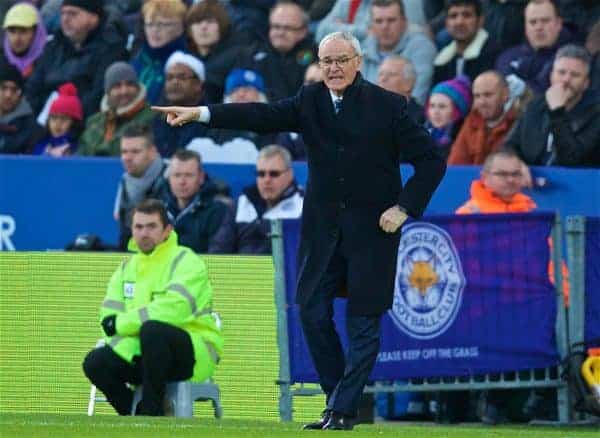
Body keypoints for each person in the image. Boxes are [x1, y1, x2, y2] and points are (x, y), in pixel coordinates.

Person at [152, 30, 446, 430]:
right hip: (322, 232)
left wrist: (404, 208)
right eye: (326, 61)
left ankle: (341, 410)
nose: (334, 68)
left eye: (341, 60)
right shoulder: (310, 99)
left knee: (363, 323)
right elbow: (261, 115)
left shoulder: (388, 106)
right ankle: (339, 399)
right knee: (310, 312)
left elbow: (431, 162)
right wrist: (203, 113)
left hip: (371, 233)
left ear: (358, 62)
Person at [82, 198, 223, 416]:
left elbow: (172, 312)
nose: (144, 233)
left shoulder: (186, 261)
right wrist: (120, 330)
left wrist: (122, 323)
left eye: (151, 226)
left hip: (191, 354)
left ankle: (151, 410)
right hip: (143, 351)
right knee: (95, 362)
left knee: (154, 330)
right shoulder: (126, 268)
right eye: (138, 227)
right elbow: (107, 317)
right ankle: (135, 414)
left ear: (167, 231)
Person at [25, 0, 128, 118]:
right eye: (63, 13)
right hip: (45, 121)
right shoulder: (53, 46)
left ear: (93, 18)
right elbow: (33, 89)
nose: (65, 19)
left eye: (73, 14)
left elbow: (98, 95)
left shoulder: (111, 49)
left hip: (83, 123)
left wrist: (67, 117)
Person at [503, 44, 600, 167]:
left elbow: (571, 160)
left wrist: (557, 112)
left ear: (586, 83)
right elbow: (508, 147)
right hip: (532, 180)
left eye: (575, 75)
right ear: (551, 76)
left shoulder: (596, 114)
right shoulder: (535, 107)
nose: (566, 79)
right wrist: (519, 167)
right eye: (561, 72)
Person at [209, 145, 304, 254]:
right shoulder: (240, 204)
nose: (267, 180)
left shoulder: (303, 206)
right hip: (240, 270)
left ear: (290, 174)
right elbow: (219, 250)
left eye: (274, 174)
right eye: (261, 174)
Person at [233, 1, 317, 101]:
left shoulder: (316, 54)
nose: (280, 33)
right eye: (276, 27)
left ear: (303, 31)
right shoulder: (251, 54)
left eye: (288, 28)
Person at [361, 0, 437, 104]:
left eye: (391, 20)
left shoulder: (422, 49)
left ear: (404, 22)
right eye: (379, 21)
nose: (385, 27)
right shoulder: (363, 50)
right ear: (371, 26)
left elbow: (417, 98)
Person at [495, 0, 575, 94]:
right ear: (525, 26)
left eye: (545, 21)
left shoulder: (573, 59)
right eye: (533, 22)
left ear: (559, 24)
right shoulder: (507, 58)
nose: (539, 27)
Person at [78, 62, 155, 157]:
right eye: (117, 86)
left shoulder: (151, 116)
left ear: (137, 88)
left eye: (129, 84)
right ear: (108, 92)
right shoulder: (94, 121)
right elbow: (81, 155)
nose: (124, 91)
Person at [163, 149, 231, 254]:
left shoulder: (218, 211)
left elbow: (217, 254)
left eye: (189, 175)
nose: (182, 182)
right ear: (169, 178)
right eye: (177, 175)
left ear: (201, 177)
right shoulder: (159, 209)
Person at [113, 124, 167, 250]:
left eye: (135, 152)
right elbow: (125, 236)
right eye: (124, 152)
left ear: (152, 152)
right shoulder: (125, 182)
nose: (127, 158)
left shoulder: (172, 178)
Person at [152, 51, 215, 157]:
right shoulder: (156, 120)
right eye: (170, 78)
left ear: (198, 84)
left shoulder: (211, 119)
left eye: (182, 77)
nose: (175, 82)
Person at [185, 0, 249, 104]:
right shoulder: (184, 61)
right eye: (197, 22)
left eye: (210, 21)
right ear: (189, 29)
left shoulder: (237, 57)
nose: (203, 27)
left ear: (222, 25)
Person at [448, 70, 517, 165]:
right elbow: (455, 165)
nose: (482, 102)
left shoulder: (519, 122)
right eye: (477, 96)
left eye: (488, 95)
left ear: (505, 94)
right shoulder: (471, 121)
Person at [131, 0, 188, 105]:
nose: (155, 30)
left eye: (163, 24)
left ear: (180, 27)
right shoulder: (138, 58)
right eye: (150, 24)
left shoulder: (184, 65)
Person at [432, 0, 501, 85]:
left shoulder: (493, 55)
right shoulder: (441, 60)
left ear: (480, 21)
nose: (459, 22)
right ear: (446, 24)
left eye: (467, 15)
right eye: (453, 16)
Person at [424, 75, 472, 159]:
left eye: (442, 106)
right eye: (432, 106)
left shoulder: (463, 137)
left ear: (457, 111)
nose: (436, 112)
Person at [32, 82, 83, 156]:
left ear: (74, 122)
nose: (58, 123)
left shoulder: (79, 148)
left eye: (64, 119)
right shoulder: (40, 144)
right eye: (54, 118)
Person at [2, 2, 47, 79]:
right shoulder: (2, 61)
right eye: (12, 31)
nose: (17, 38)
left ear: (36, 33)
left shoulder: (48, 61)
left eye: (23, 31)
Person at [0, 61, 37, 154]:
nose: (8, 95)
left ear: (20, 95)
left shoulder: (28, 122)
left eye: (14, 90)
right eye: (3, 88)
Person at [377, 55, 424, 124]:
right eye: (381, 74)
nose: (383, 79)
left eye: (391, 74)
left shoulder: (419, 119)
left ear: (408, 83)